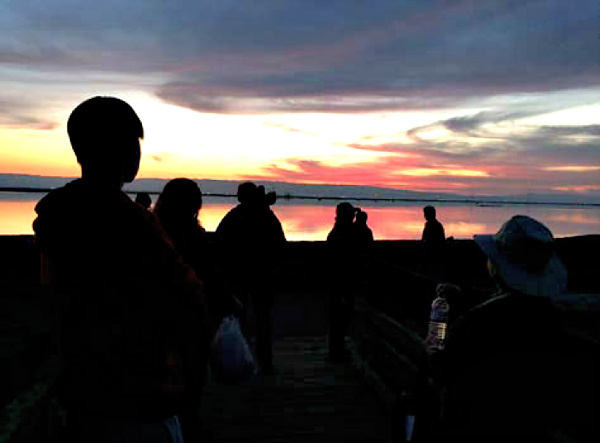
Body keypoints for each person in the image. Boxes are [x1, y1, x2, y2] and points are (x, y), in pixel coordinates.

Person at [33, 97, 212, 442]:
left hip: (81, 389)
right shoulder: (130, 223)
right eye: (132, 144)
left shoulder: (58, 216)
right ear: (109, 149)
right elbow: (186, 296)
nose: (136, 155)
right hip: (140, 391)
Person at [434, 215, 600, 442]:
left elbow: (436, 362)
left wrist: (439, 316)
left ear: (497, 269)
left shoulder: (472, 328)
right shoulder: (557, 328)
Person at [215, 182, 286, 374]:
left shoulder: (234, 217)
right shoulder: (266, 216)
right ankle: (263, 362)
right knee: (260, 320)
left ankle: (245, 360)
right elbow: (281, 244)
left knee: (244, 319)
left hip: (244, 276)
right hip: (256, 276)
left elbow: (219, 243)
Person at [326, 202, 363, 360]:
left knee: (343, 319)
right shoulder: (338, 235)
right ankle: (336, 351)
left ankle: (338, 349)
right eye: (350, 215)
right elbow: (339, 265)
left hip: (345, 283)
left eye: (353, 215)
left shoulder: (347, 232)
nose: (353, 217)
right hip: (340, 284)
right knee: (338, 320)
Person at [420, 205, 446, 278]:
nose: (425, 215)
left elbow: (435, 241)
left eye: (426, 213)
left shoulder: (436, 225)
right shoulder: (428, 224)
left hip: (434, 252)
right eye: (424, 213)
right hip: (429, 251)